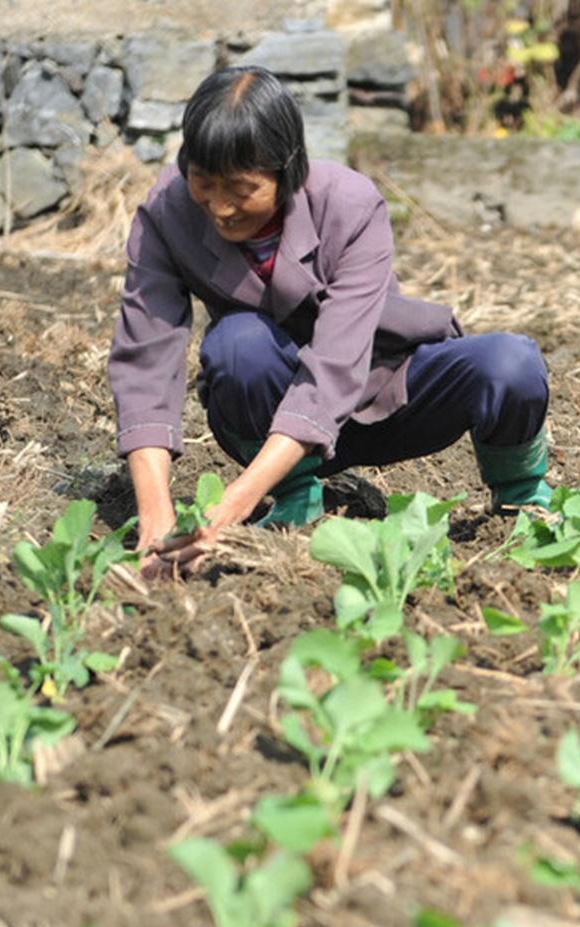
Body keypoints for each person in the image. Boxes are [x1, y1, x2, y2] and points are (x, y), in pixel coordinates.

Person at [109, 67, 553, 579]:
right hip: (266, 397)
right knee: (237, 344)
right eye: (205, 184)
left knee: (510, 362)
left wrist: (235, 501)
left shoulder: (350, 203)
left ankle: (522, 499)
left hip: (384, 389)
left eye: (242, 188)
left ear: (289, 171)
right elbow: (146, 356)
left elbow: (337, 365)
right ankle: (295, 496)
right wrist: (156, 516)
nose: (222, 208)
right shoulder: (169, 211)